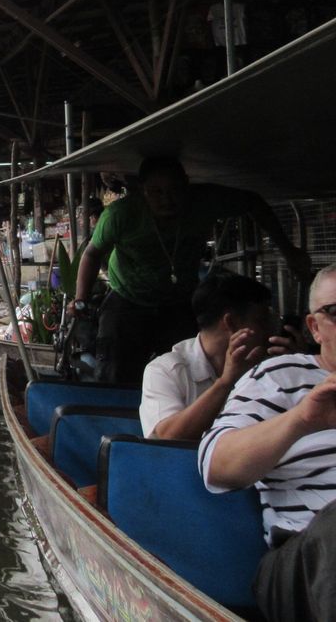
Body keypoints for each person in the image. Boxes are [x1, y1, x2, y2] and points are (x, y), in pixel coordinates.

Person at [71, 156, 310, 385]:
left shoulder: (204, 201)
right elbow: (92, 254)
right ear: (143, 191)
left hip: (178, 299)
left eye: (174, 190)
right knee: (115, 373)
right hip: (128, 298)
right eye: (157, 192)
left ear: (186, 185)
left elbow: (254, 202)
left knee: (190, 370)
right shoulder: (120, 215)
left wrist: (288, 250)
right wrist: (80, 298)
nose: (167, 199)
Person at [199, 263, 336, 621]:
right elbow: (216, 465)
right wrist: (302, 419)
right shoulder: (280, 375)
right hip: (304, 558)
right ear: (314, 327)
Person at [140, 273, 295, 440]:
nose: (270, 330)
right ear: (231, 322)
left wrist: (298, 369)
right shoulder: (165, 370)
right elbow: (168, 437)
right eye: (261, 321)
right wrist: (226, 382)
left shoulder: (267, 363)